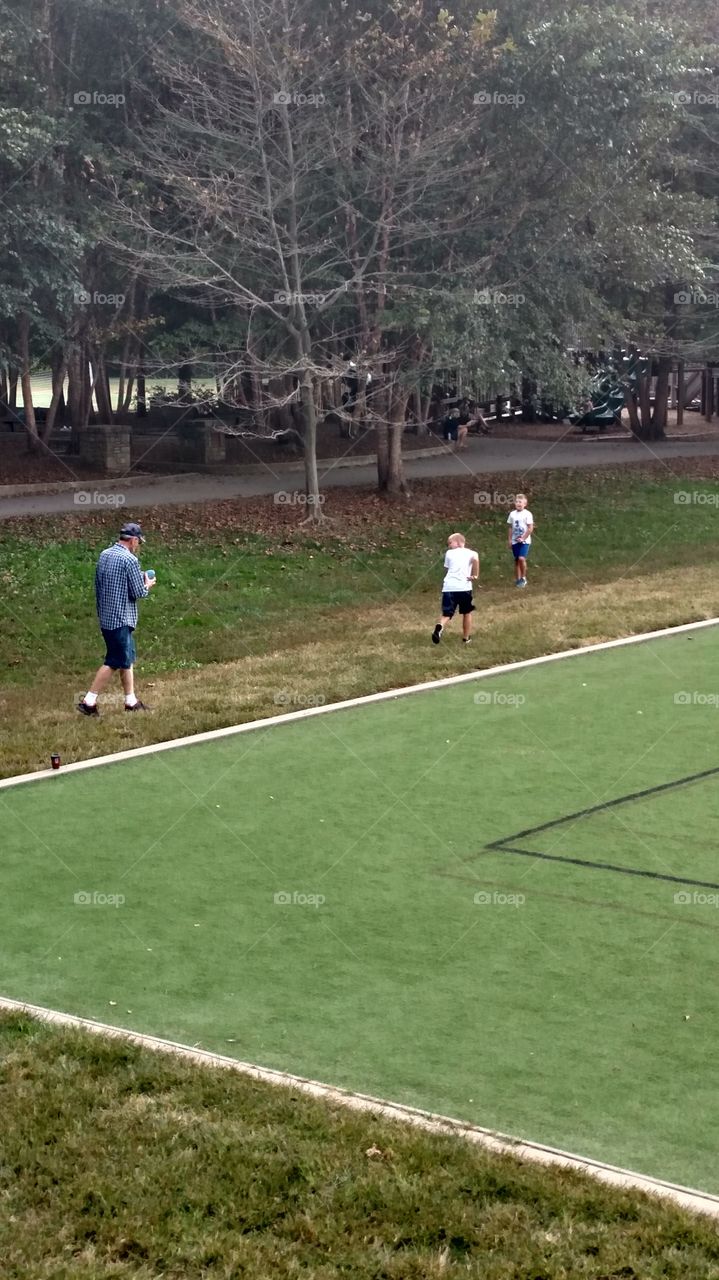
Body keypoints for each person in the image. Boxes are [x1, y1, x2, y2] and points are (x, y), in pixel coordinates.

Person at [77, 521, 156, 716]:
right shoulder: (129, 560)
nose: (138, 546)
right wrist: (148, 583)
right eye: (139, 542)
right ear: (134, 540)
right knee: (114, 660)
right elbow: (138, 592)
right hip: (121, 618)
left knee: (125, 658)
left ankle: (131, 701)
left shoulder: (105, 555)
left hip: (106, 616)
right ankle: (89, 701)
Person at [432, 532, 479, 645]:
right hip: (464, 587)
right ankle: (466, 638)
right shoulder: (472, 553)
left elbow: (447, 568)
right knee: (466, 612)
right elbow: (476, 561)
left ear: (458, 542)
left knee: (447, 613)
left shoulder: (449, 553)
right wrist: (475, 575)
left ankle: (440, 626)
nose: (449, 545)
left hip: (449, 587)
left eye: (450, 543)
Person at [507, 494, 534, 588]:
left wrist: (523, 537)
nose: (518, 504)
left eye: (520, 502)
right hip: (515, 540)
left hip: (524, 541)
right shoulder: (512, 514)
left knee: (522, 558)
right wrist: (510, 540)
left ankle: (523, 577)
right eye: (517, 502)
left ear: (525, 504)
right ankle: (518, 579)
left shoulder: (528, 514)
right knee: (517, 560)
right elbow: (510, 527)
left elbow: (530, 528)